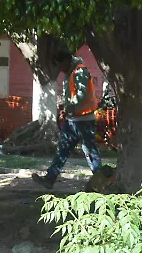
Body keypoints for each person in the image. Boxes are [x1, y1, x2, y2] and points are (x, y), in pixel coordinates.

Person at [33, 49, 101, 189]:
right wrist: (67, 109)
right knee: (62, 150)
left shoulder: (80, 71)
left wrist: (67, 105)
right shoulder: (70, 73)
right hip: (72, 120)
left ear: (67, 61)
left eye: (60, 65)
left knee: (90, 152)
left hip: (84, 120)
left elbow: (81, 95)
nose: (59, 68)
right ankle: (49, 179)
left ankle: (101, 182)